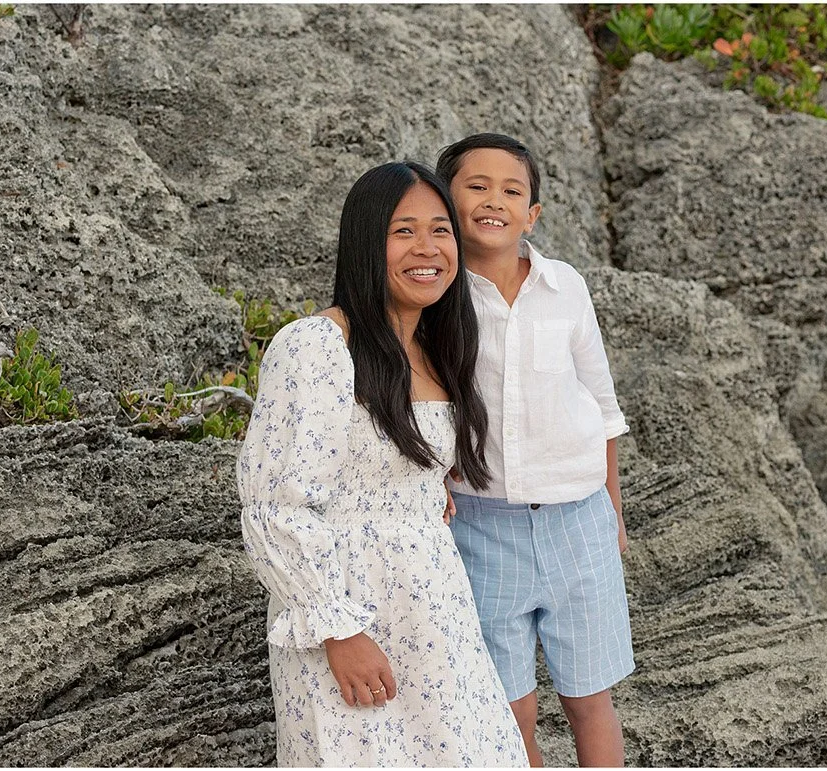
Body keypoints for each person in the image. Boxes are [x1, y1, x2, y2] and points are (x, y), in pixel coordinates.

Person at [238, 160, 526, 766]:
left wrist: (422, 489)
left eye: (441, 230)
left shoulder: (436, 348)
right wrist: (339, 630)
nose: (427, 249)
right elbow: (274, 504)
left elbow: (400, 467)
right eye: (403, 231)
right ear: (366, 242)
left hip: (436, 607)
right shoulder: (319, 345)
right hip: (350, 610)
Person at [435, 132, 634, 767]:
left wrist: (614, 511)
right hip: (480, 527)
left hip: (579, 522)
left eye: (511, 190)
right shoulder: (439, 297)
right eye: (476, 186)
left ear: (533, 214)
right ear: (447, 200)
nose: (494, 200)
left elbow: (601, 405)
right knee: (508, 705)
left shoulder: (566, 288)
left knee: (588, 698)